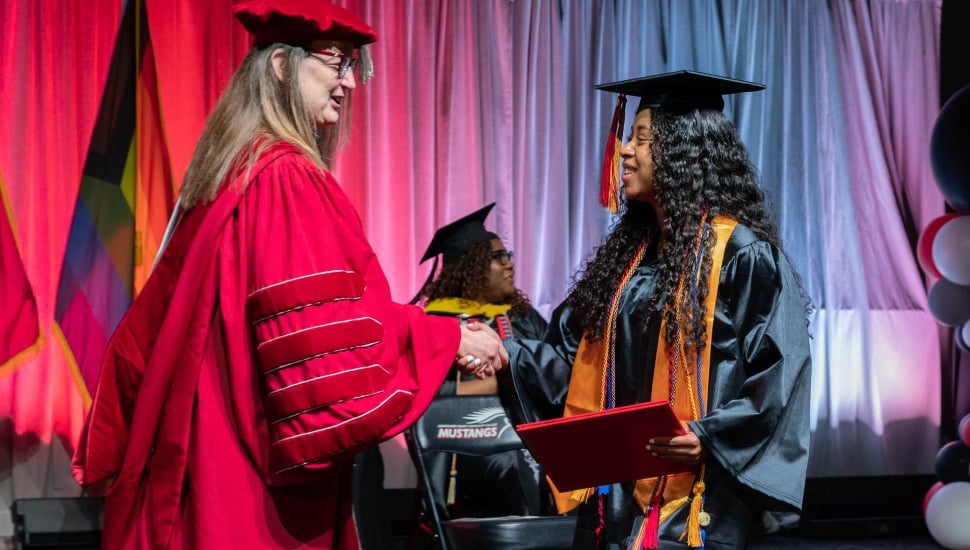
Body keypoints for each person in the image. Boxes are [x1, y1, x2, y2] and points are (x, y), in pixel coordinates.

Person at [71, 1, 505, 548]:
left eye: (352, 66)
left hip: (202, 447)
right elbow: (324, 340)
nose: (349, 83)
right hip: (251, 474)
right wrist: (448, 336)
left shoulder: (229, 172)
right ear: (281, 65)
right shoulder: (287, 179)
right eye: (336, 62)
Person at [489, 71, 812, 549]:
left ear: (683, 153)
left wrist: (710, 437)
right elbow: (567, 361)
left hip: (696, 490)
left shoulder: (741, 254)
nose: (624, 150)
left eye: (642, 139)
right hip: (615, 492)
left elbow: (779, 373)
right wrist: (499, 352)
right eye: (629, 138)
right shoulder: (628, 261)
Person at [416, 203, 553, 518]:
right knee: (507, 463)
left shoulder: (523, 317)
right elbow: (425, 394)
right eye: (498, 257)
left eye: (509, 256)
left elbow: (553, 371)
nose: (509, 265)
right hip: (468, 440)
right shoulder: (438, 322)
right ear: (471, 265)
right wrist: (482, 389)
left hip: (530, 433)